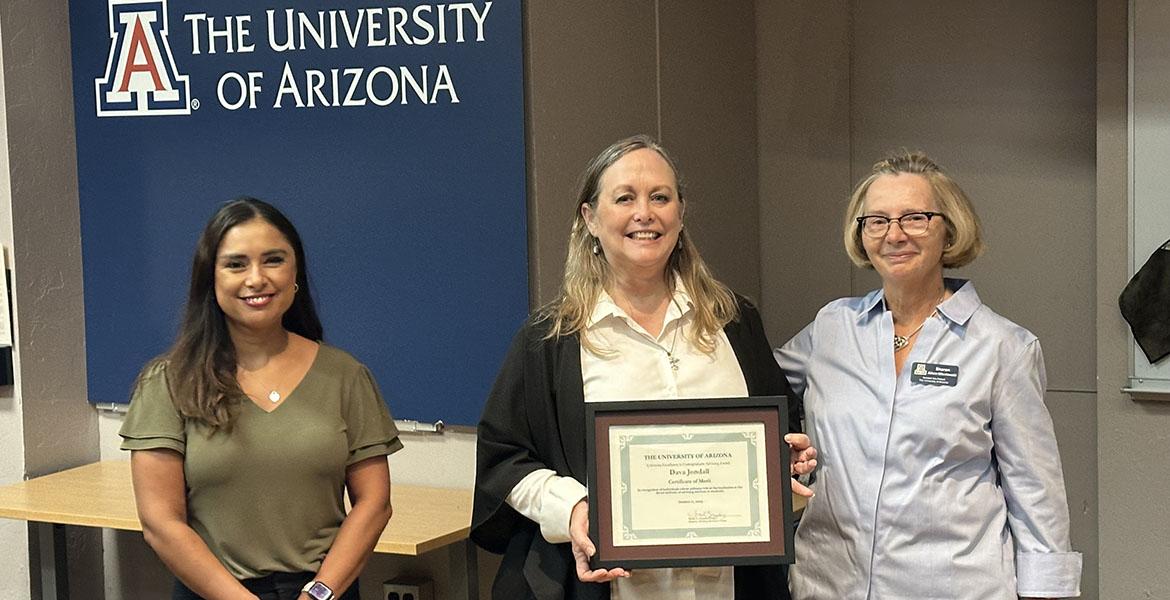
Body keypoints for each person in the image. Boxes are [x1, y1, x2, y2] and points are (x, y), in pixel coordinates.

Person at [472, 135, 817, 600]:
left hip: (732, 587)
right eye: (624, 198)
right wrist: (572, 507)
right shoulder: (550, 339)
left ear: (680, 213)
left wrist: (787, 463)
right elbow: (504, 459)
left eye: (660, 197)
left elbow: (780, 434)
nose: (645, 213)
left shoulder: (734, 322)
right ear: (589, 219)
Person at [775, 152, 1082, 599]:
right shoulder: (831, 329)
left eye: (914, 218)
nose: (894, 234)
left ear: (949, 229)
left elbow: (1037, 496)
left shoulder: (1002, 347)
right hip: (827, 585)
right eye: (876, 221)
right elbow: (750, 395)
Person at [120, 198, 402, 600]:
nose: (256, 278)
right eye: (236, 264)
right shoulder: (168, 382)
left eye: (273, 260)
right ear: (210, 278)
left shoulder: (346, 376)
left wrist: (319, 593)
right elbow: (161, 523)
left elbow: (374, 503)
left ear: (295, 272)